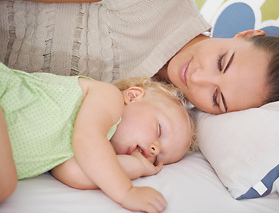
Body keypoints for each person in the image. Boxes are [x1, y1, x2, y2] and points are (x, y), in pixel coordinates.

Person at [0, 0, 279, 115]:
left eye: (217, 99)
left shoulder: (161, 114)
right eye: (223, 62)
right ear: (246, 35)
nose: (199, 79)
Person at [0, 64, 195, 213]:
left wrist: (138, 165)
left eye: (159, 158)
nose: (155, 150)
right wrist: (126, 192)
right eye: (159, 131)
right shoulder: (107, 97)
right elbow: (88, 139)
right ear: (133, 96)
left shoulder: (88, 155)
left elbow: (77, 174)